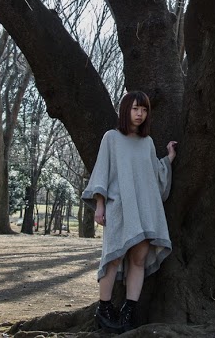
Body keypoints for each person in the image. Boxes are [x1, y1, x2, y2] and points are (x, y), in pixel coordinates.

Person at [83, 91, 177, 332]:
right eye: (135, 108)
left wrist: (168, 160)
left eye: (144, 110)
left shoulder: (147, 143)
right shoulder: (111, 138)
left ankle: (129, 312)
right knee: (112, 258)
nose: (140, 114)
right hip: (119, 209)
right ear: (126, 110)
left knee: (138, 260)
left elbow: (155, 178)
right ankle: (103, 311)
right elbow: (102, 172)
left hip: (145, 209)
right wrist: (100, 206)